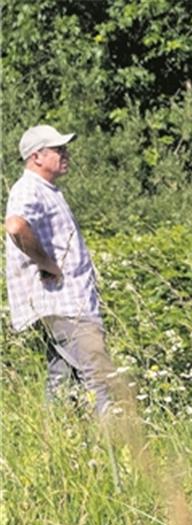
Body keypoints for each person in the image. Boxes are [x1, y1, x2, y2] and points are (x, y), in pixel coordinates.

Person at [4, 124, 118, 415]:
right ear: (36, 157)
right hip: (65, 304)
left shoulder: (45, 190)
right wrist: (46, 263)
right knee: (99, 378)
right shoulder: (29, 188)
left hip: (63, 303)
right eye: (58, 149)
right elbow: (16, 226)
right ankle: (113, 445)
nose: (65, 153)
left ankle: (53, 444)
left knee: (61, 379)